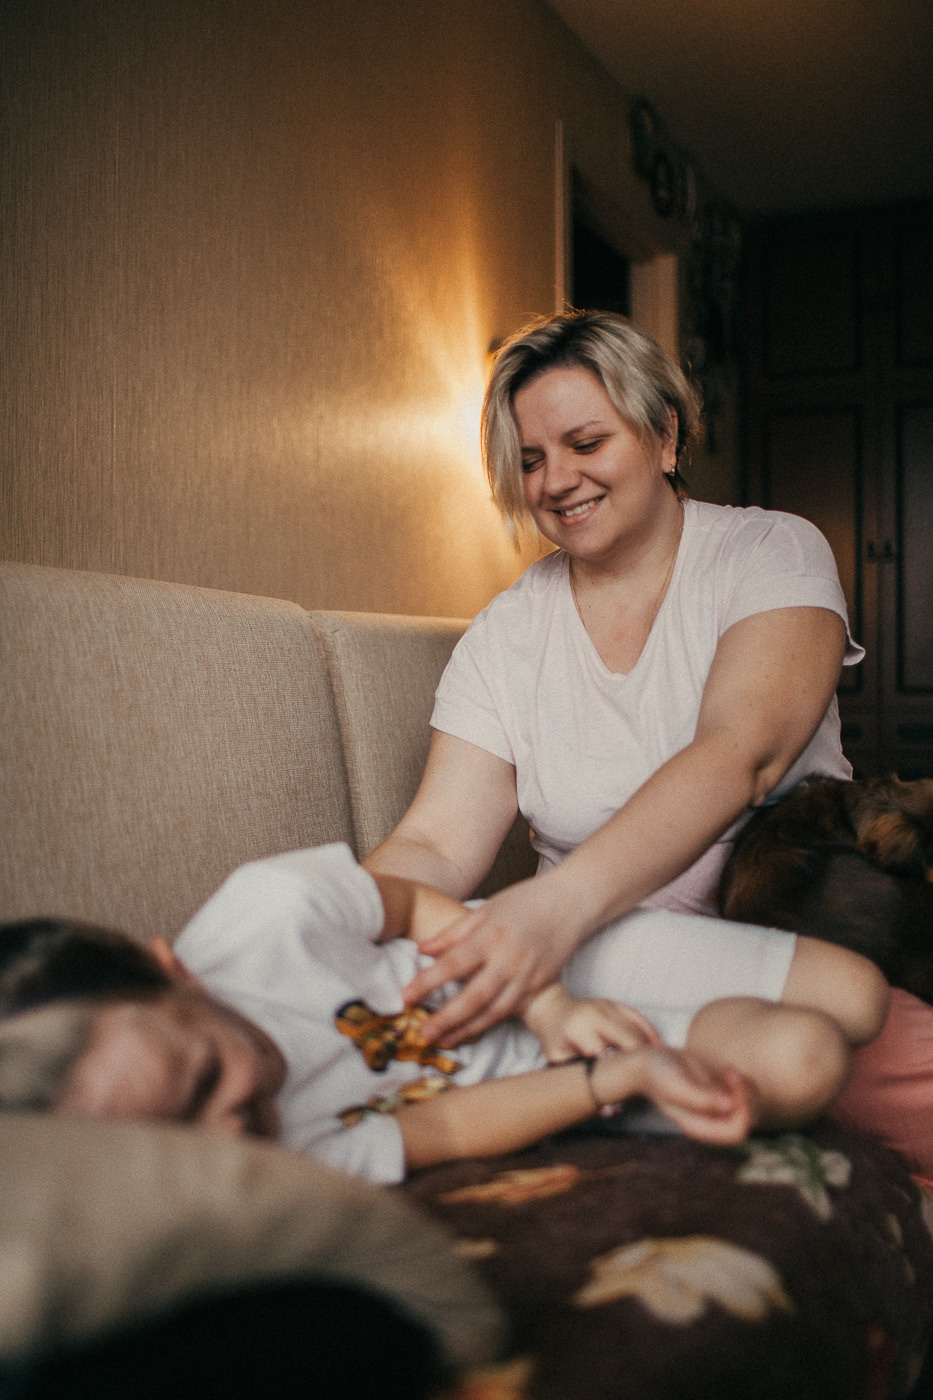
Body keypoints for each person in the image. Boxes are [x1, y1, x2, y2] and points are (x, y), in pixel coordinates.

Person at [364, 310, 865, 1048]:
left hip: (770, 935)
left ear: (664, 436)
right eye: (530, 460)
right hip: (584, 964)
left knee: (846, 1018)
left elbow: (739, 754)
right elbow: (436, 844)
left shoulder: (771, 551)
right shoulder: (505, 633)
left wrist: (550, 911)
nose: (556, 481)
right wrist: (332, 919)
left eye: (586, 443)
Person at [0, 844, 886, 1184]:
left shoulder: (265, 910)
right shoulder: (259, 1156)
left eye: (200, 1078)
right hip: (559, 1072)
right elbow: (447, 1128)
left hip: (541, 969)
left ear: (174, 973)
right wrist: (612, 1074)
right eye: (172, 1139)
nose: (223, 1129)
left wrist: (549, 1004)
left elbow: (417, 904)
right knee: (807, 1059)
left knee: (860, 995)